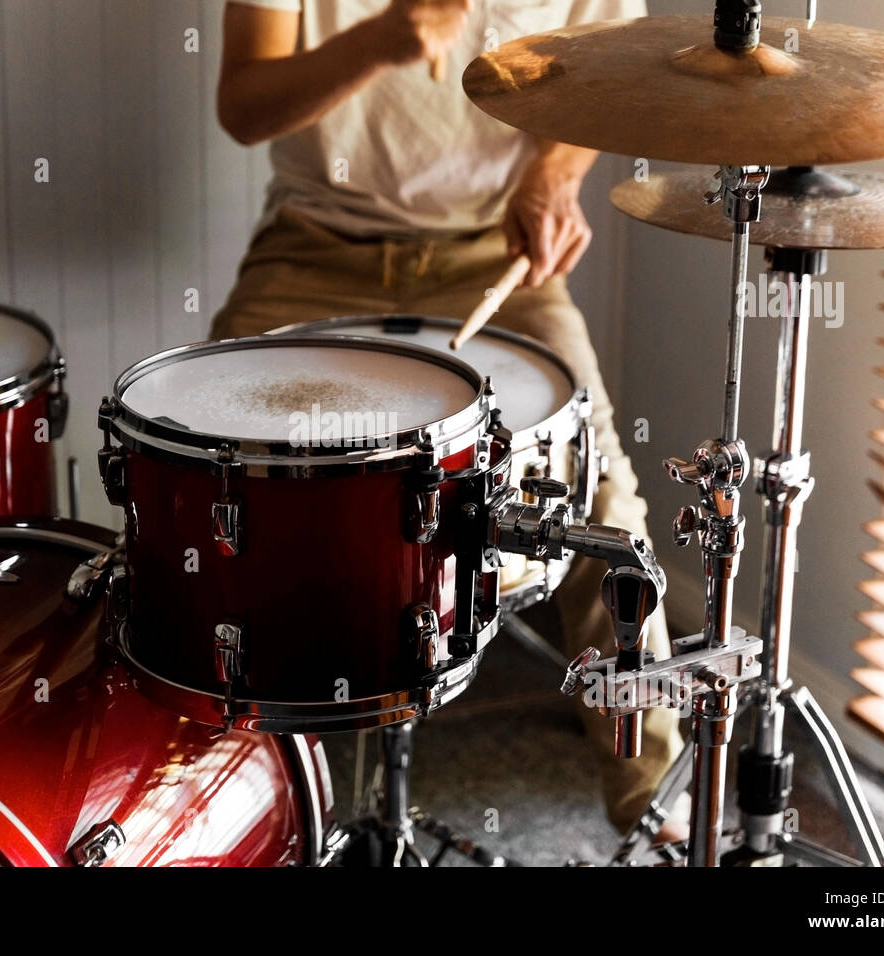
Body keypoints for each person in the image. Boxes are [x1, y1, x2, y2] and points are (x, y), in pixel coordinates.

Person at [211, 0, 682, 836]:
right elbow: (244, 105)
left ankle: (657, 802)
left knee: (602, 508)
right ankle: (197, 803)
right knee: (211, 474)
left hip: (490, 257)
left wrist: (553, 174)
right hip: (314, 247)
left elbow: (601, 81)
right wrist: (377, 41)